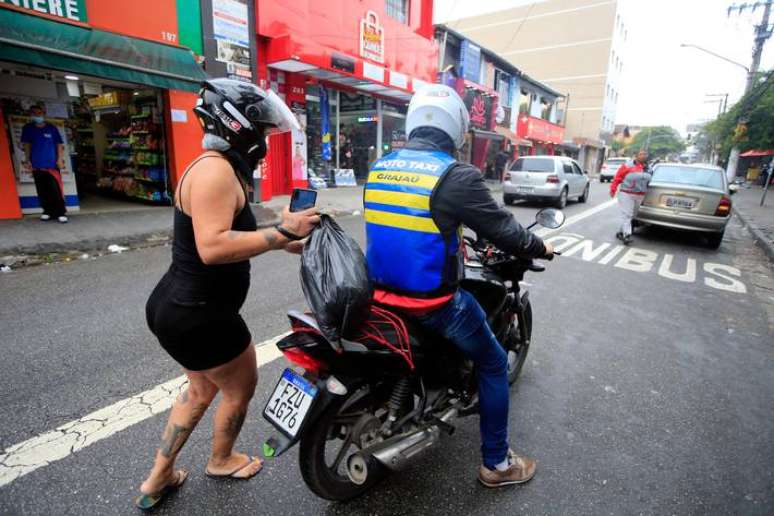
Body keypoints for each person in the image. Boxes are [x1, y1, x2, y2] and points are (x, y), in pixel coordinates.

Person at [136, 79, 319, 510]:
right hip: (203, 314)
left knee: (200, 390)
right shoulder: (217, 172)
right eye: (263, 130)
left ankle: (158, 477)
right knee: (239, 388)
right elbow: (213, 246)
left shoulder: (211, 165)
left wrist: (281, 237)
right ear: (239, 126)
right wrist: (278, 234)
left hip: (178, 308)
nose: (265, 141)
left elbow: (226, 232)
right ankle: (221, 459)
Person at [363, 84, 553, 488]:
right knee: (493, 362)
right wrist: (541, 245)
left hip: (378, 294)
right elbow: (506, 232)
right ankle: (497, 464)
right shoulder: (456, 176)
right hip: (432, 303)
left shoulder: (381, 166)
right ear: (457, 129)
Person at [21, 104, 68, 223]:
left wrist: (59, 159)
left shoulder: (51, 128)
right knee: (42, 190)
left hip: (51, 165)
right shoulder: (28, 128)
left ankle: (60, 212)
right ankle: (47, 211)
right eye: (34, 113)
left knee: (56, 190)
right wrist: (27, 160)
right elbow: (27, 145)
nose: (37, 115)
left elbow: (59, 144)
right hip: (37, 165)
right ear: (31, 115)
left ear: (43, 114)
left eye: (39, 113)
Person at [609, 149, 651, 245]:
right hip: (626, 193)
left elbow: (649, 182)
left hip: (640, 195)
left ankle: (621, 232)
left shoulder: (649, 168)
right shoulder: (627, 166)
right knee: (627, 215)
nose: (643, 156)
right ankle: (627, 235)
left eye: (645, 154)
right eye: (641, 154)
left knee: (632, 215)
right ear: (636, 155)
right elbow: (617, 178)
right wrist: (613, 189)